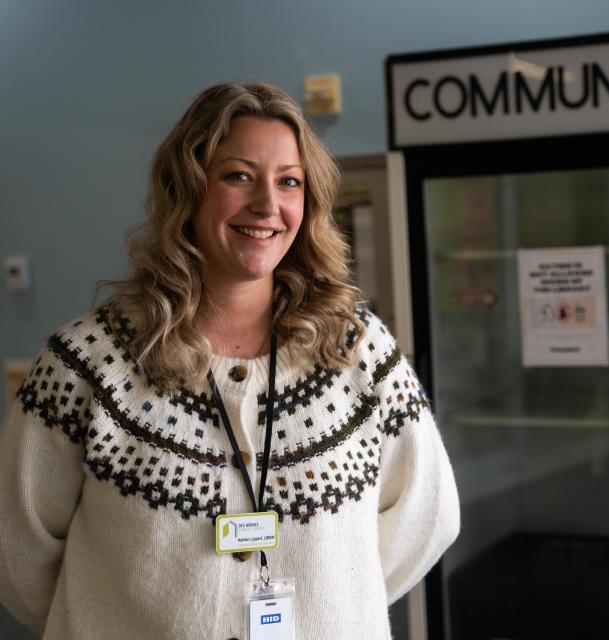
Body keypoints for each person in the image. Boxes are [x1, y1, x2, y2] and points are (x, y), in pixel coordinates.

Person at [0, 82, 459, 639]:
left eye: (288, 182)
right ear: (188, 189)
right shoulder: (89, 363)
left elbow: (426, 517)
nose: (267, 205)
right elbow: (16, 550)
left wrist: (337, 598)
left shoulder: (358, 353)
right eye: (239, 176)